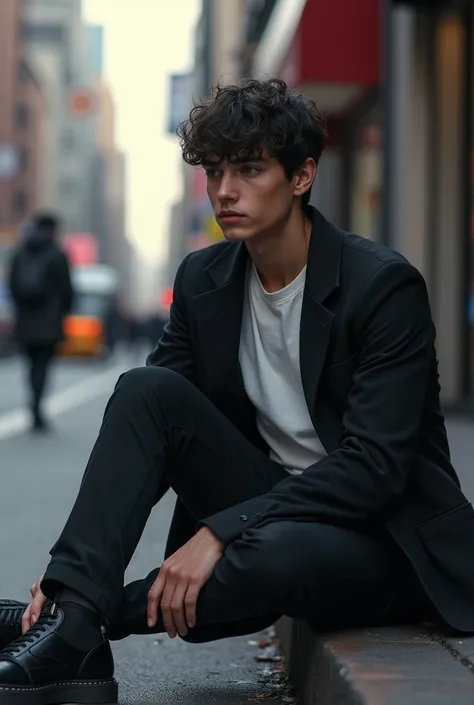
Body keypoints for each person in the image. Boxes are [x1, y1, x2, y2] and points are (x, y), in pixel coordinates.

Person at [0, 78, 473, 705]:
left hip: (379, 534)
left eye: (250, 170)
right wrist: (74, 568)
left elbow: (374, 470)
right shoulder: (204, 279)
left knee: (277, 553)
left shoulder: (382, 288)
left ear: (301, 177)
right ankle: (73, 616)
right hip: (273, 503)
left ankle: (75, 619)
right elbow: (156, 417)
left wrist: (221, 531)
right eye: (216, 171)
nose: (226, 191)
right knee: (145, 388)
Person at [8, 213, 74, 431]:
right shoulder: (57, 254)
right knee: (43, 366)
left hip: (26, 320)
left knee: (31, 365)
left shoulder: (20, 252)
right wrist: (64, 313)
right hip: (49, 320)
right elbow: (66, 290)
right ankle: (37, 407)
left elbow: (12, 286)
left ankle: (33, 403)